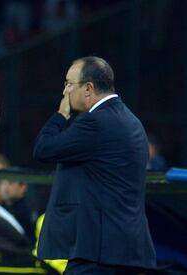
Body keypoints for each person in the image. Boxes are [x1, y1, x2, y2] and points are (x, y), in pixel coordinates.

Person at [33, 56, 156, 274]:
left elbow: (43, 149)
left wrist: (61, 116)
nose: (65, 92)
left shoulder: (96, 122)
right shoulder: (131, 120)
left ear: (88, 88)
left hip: (98, 254)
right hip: (129, 251)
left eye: (69, 84)